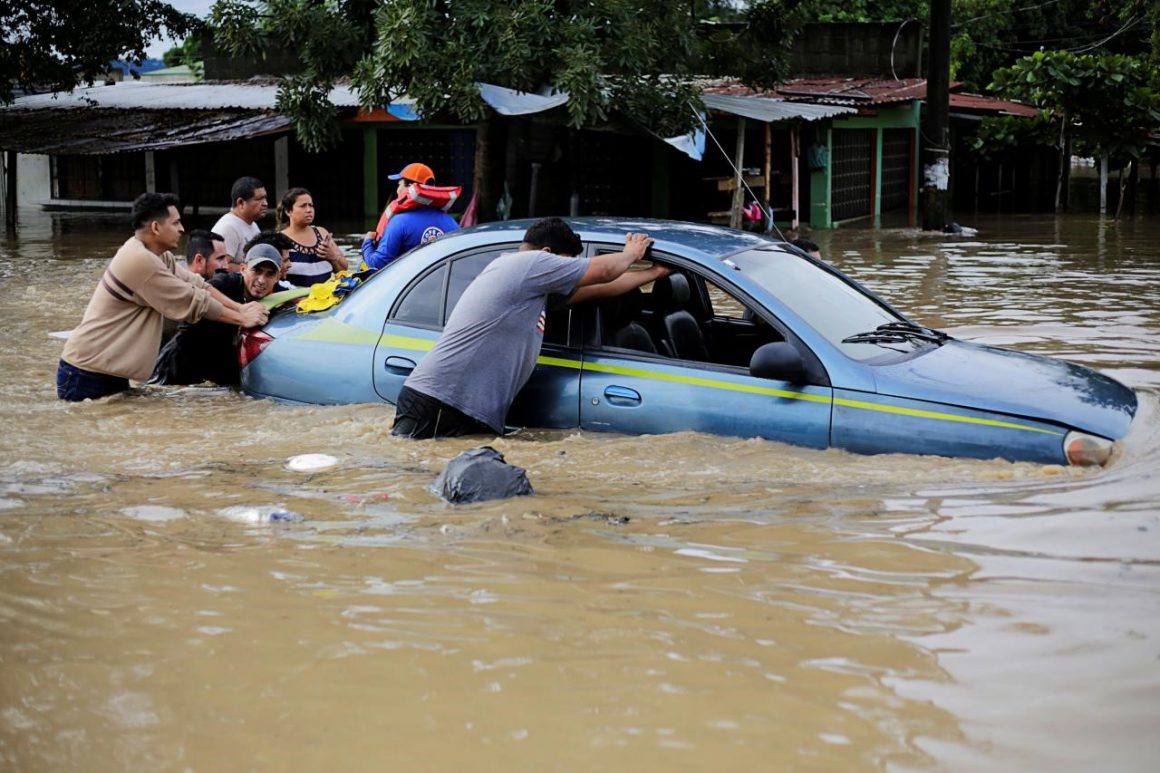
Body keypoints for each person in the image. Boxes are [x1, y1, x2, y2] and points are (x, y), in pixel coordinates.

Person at [392, 217, 669, 439]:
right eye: (566, 265)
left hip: (459, 408)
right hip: (441, 403)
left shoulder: (532, 286)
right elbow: (604, 271)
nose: (568, 272)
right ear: (547, 254)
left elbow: (602, 286)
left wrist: (652, 273)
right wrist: (631, 253)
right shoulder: (528, 264)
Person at [57, 192, 269, 401]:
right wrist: (241, 318)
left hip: (107, 371)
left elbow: (196, 284)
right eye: (176, 223)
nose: (181, 229)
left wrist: (241, 309)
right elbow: (194, 302)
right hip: (85, 374)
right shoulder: (141, 261)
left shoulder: (158, 254)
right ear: (156, 227)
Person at [150, 244, 283, 387]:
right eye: (256, 271)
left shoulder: (277, 300)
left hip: (220, 370)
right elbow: (196, 301)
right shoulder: (223, 284)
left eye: (269, 274)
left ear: (278, 277)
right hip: (179, 365)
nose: (261, 280)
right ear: (243, 269)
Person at [361, 162, 460, 270]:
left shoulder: (399, 222)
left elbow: (377, 265)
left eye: (399, 185)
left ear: (410, 187)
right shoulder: (452, 223)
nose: (397, 190)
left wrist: (367, 243)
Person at [276, 187, 348, 287]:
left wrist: (333, 257)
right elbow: (274, 278)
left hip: (326, 297)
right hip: (296, 299)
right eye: (303, 206)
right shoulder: (279, 239)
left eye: (311, 205)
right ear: (289, 211)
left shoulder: (322, 233)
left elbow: (344, 271)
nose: (309, 210)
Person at [212, 176, 268, 265]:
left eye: (265, 198)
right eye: (259, 199)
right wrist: (252, 270)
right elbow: (222, 267)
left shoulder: (252, 224)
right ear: (241, 203)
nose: (265, 203)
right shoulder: (228, 227)